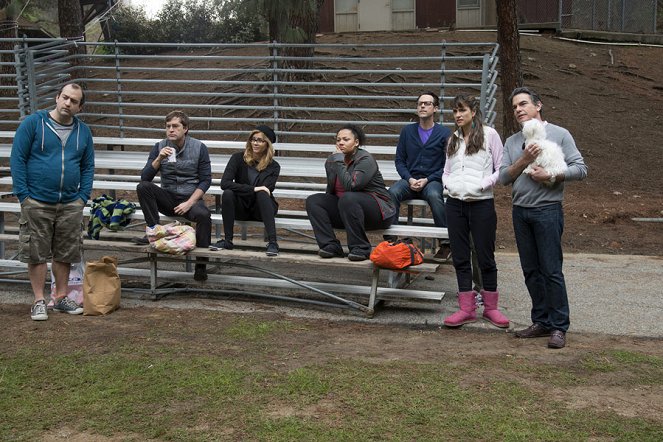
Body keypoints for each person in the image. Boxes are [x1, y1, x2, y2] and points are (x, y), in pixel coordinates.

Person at [499, 87, 588, 349]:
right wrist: (524, 158)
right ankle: (541, 321)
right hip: (520, 211)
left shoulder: (559, 134)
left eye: (523, 104)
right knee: (530, 271)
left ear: (538, 105)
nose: (518, 110)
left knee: (551, 270)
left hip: (548, 211)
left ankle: (559, 326)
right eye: (515, 106)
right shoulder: (513, 141)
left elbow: (580, 169)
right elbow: (504, 177)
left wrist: (551, 176)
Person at [10, 82, 95, 320]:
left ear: (80, 107)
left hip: (70, 203)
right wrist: (23, 196)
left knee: (65, 253)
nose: (68, 103)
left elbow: (88, 166)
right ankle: (38, 301)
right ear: (57, 98)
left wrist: (82, 197)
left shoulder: (83, 132)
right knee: (36, 253)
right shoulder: (33, 124)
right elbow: (17, 159)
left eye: (74, 101)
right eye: (65, 98)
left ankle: (60, 298)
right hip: (36, 201)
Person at [441, 95, 509, 329]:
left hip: (481, 204)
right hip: (455, 204)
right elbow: (446, 170)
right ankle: (466, 308)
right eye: (454, 111)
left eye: (462, 110)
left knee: (484, 256)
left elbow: (501, 168)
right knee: (460, 257)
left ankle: (491, 308)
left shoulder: (490, 135)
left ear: (473, 111)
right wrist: (447, 185)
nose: (458, 115)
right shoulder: (453, 138)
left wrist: (483, 184)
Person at [134, 110, 212, 281]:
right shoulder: (159, 146)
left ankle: (201, 265)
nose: (171, 130)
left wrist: (190, 203)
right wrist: (158, 159)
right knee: (143, 187)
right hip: (168, 197)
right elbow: (145, 177)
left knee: (204, 215)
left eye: (175, 126)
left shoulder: (199, 148)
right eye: (168, 126)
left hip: (190, 198)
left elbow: (206, 180)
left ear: (185, 129)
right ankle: (154, 232)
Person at [305, 124, 395, 261]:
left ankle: (361, 248)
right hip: (348, 212)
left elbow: (352, 186)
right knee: (314, 200)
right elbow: (331, 190)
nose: (341, 142)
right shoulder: (332, 160)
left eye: (346, 139)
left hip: (378, 212)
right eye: (338, 140)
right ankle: (330, 245)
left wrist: (340, 162)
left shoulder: (365, 160)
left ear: (356, 142)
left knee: (348, 197)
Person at [387, 91, 451, 258]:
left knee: (435, 196)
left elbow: (447, 165)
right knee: (392, 192)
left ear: (435, 109)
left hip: (433, 180)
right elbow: (399, 160)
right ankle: (390, 239)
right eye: (420, 103)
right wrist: (409, 178)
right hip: (410, 179)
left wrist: (428, 179)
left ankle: (445, 243)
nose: (422, 106)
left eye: (427, 103)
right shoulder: (407, 131)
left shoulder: (444, 133)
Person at [212, 126, 281, 256]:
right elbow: (225, 183)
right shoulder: (237, 158)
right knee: (227, 193)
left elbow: (267, 190)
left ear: (267, 144)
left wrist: (255, 190)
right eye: (253, 139)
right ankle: (228, 240)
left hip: (260, 209)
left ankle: (273, 242)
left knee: (262, 193)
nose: (255, 143)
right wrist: (253, 188)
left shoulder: (274, 167)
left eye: (260, 140)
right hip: (241, 208)